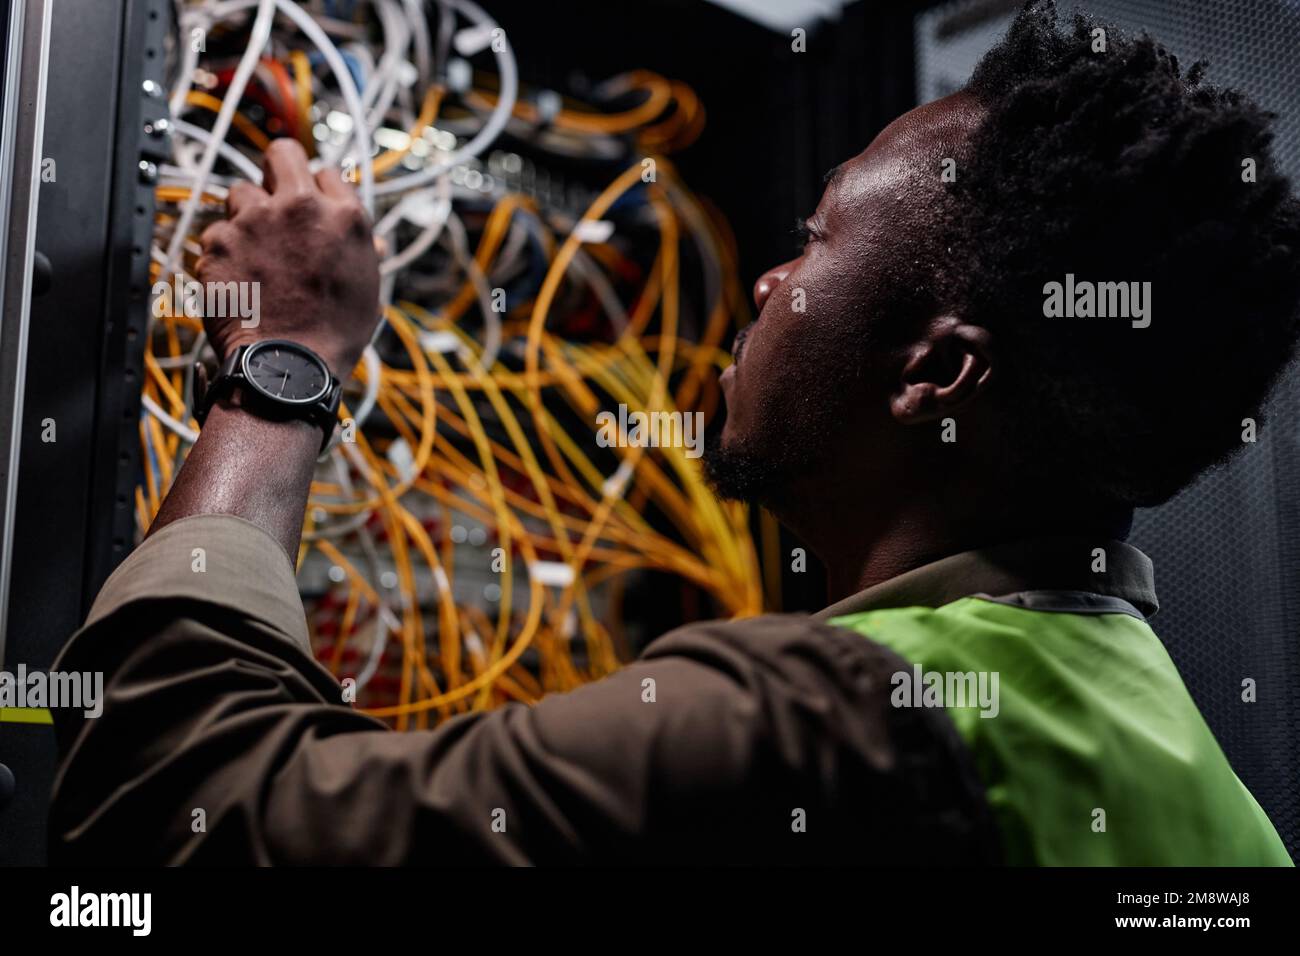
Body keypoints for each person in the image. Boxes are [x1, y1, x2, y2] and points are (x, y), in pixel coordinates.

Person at [49, 2, 1298, 865]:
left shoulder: (821, 725)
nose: (762, 283)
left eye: (813, 243)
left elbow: (173, 819)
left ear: (937, 370)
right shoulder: (1200, 783)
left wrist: (288, 356)